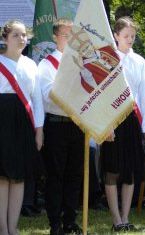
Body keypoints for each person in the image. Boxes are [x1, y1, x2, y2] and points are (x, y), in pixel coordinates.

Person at [100, 17, 145, 232]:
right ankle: (115, 218)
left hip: (133, 119)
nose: (130, 39)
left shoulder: (139, 61)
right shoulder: (108, 58)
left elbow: (144, 94)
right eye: (126, 36)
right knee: (112, 169)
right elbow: (102, 93)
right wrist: (106, 123)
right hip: (113, 119)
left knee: (130, 171)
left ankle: (126, 217)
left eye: (133, 36)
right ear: (116, 36)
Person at [38, 18, 84, 235]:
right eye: (66, 35)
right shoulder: (47, 64)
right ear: (55, 37)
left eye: (72, 35)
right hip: (56, 125)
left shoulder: (81, 62)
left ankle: (70, 220)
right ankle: (55, 222)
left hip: (77, 125)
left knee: (75, 175)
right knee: (56, 176)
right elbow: (49, 95)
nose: (69, 39)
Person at [0, 20, 44, 235]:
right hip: (1, 122)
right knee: (2, 177)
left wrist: (39, 129)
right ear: (5, 39)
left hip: (24, 123)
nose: (21, 39)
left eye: (24, 35)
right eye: (16, 35)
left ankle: (12, 226)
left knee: (18, 177)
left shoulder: (31, 64)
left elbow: (37, 100)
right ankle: (2, 228)